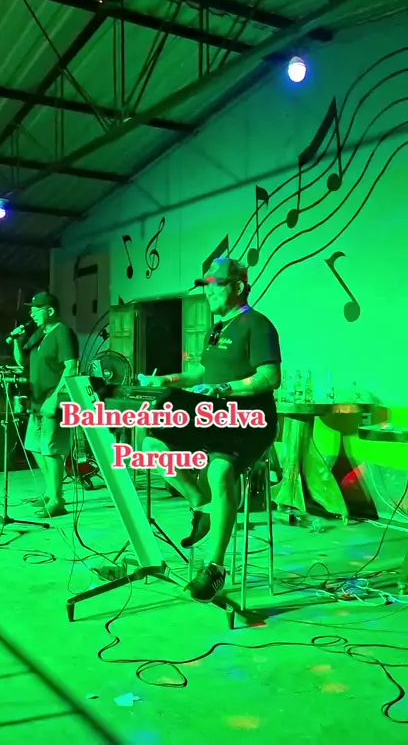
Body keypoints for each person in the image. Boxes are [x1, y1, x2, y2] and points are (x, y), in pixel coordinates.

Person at [139, 258, 282, 603]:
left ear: (238, 286)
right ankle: (201, 503)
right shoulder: (216, 328)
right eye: (206, 286)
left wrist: (225, 389)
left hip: (249, 420)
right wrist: (165, 379)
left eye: (216, 285)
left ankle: (215, 568)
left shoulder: (258, 325)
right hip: (214, 416)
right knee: (150, 445)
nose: (208, 292)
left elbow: (270, 377)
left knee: (219, 471)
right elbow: (201, 373)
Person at [12, 292, 79, 518]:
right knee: (33, 445)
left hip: (53, 400)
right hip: (36, 400)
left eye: (36, 308)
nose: (31, 313)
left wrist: (55, 399)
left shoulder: (63, 333)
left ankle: (57, 500)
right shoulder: (39, 333)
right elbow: (22, 362)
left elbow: (71, 368)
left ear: (49, 310)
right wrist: (16, 341)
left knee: (51, 449)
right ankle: (51, 491)